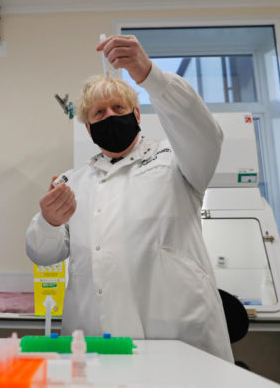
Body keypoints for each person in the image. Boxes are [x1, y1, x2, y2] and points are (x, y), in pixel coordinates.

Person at [25, 34, 233, 362]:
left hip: (174, 335)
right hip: (96, 338)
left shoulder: (178, 162)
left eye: (118, 108)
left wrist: (150, 75)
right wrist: (49, 222)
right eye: (98, 113)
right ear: (89, 129)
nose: (109, 116)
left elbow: (205, 135)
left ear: (136, 115)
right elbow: (43, 254)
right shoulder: (72, 181)